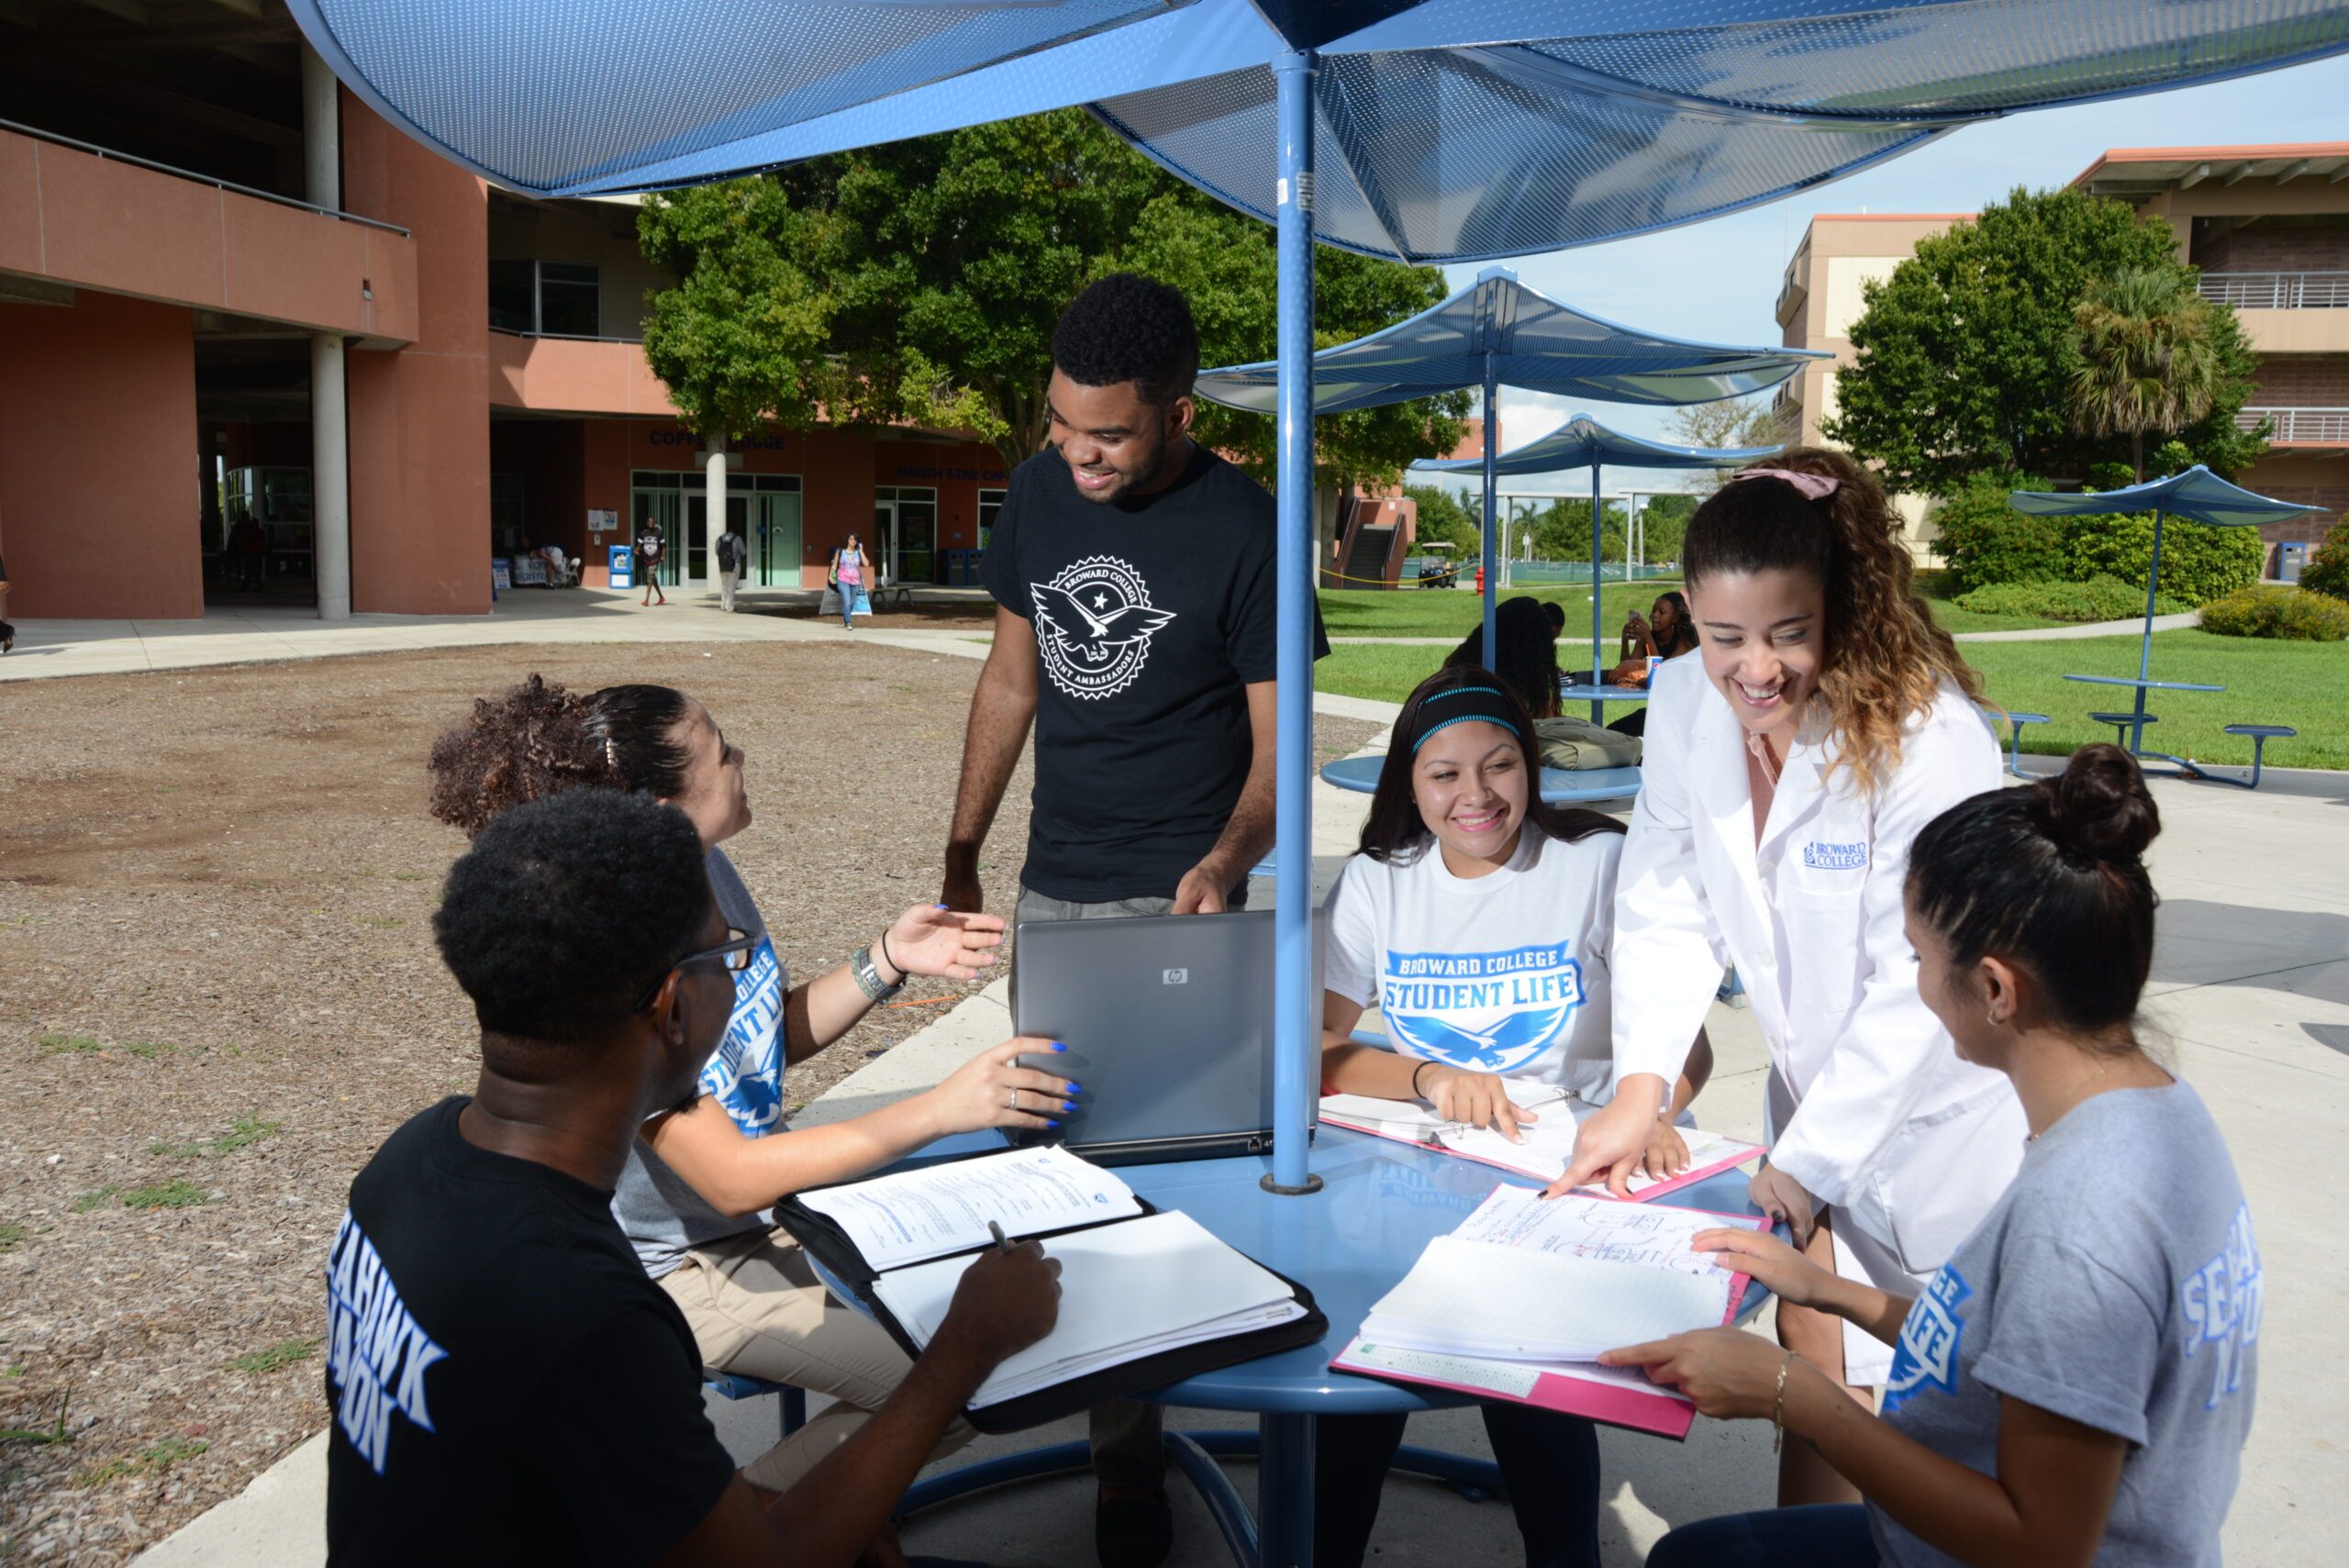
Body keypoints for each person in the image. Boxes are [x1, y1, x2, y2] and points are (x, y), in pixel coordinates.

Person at [326, 788, 1063, 1566]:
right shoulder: (587, 1317)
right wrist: (965, 1346)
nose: (743, 988)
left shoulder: (405, 1164)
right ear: (674, 1008)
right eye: (729, 960)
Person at [428, 675, 1078, 1498]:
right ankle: (738, 1534)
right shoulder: (625, 944)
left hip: (766, 1223)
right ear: (664, 808)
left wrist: (885, 960)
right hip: (687, 1267)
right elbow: (728, 1172)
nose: (740, 759)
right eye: (720, 749)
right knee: (959, 1383)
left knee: (969, 1305)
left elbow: (757, 1046)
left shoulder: (711, 874)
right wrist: (939, 1108)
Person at [1609, 747, 2258, 1568]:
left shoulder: (2084, 1216)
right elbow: (2014, 1350)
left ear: (1995, 988)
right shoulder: (2159, 1116)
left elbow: (2042, 1544)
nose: (1910, 985)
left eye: (1916, 958)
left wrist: (1792, 1392)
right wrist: (1829, 1291)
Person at [1556, 450, 2030, 1509]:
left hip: (1948, 1125)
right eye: (1725, 635)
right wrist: (1639, 1091)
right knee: (1809, 1347)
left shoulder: (1928, 736)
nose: (1755, 670)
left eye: (1788, 633)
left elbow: (1922, 978)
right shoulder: (1682, 699)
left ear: (1841, 608)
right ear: (1688, 612)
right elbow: (1667, 896)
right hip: (1813, 1111)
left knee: (1960, 1405)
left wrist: (1803, 1163)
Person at [940, 272, 1324, 1567]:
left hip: (1182, 900)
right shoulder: (1040, 490)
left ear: (1176, 409)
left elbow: (1279, 759)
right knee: (1060, 1174)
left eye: (1107, 432)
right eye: (1061, 425)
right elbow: (1010, 676)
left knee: (1188, 1173)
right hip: (1056, 884)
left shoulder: (1245, 526)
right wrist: (962, 848)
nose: (1077, 454)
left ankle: (1179, 1423)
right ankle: (1123, 1450)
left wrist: (1224, 860)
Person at [1314, 667, 1711, 1568]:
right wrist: (1423, 1073)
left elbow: (1686, 1042)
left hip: (1560, 1170)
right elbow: (1309, 1053)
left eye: (1498, 765)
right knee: (1359, 1389)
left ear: (1529, 768)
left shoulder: (1599, 861)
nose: (1474, 793)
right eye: (1443, 773)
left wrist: (1648, 1104)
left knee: (1536, 1395)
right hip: (1411, 1175)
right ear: (1408, 785)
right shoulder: (1379, 882)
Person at [829, 532, 869, 628]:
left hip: (855, 581)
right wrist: (831, 575)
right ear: (847, 540)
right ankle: (848, 623)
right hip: (842, 579)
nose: (853, 541)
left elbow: (866, 564)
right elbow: (834, 565)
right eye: (851, 539)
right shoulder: (840, 551)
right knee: (847, 601)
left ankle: (845, 620)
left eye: (855, 539)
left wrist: (861, 551)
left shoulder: (858, 553)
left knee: (851, 602)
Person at [635, 519, 668, 606]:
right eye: (649, 522)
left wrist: (663, 556)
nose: (651, 523)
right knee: (653, 579)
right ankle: (661, 597)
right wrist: (637, 550)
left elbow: (664, 546)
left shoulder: (659, 533)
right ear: (646, 523)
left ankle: (646, 600)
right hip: (646, 559)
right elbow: (639, 544)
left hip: (655, 558)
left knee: (649, 579)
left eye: (652, 522)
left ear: (654, 523)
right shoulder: (643, 533)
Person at [714, 526, 746, 612]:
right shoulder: (738, 539)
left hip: (723, 565)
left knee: (724, 586)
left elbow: (716, 552)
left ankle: (723, 605)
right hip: (734, 565)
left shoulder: (719, 539)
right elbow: (743, 552)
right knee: (731, 586)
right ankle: (730, 607)